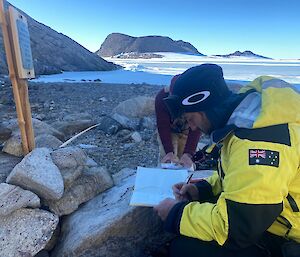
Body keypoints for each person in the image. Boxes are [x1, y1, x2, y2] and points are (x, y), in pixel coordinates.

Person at [154, 63, 300, 257]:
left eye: (190, 119)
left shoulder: (259, 143)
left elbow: (238, 228)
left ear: (204, 108)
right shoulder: (247, 120)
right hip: (273, 216)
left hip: (288, 234)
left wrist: (176, 214)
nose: (193, 128)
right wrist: (202, 189)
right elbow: (239, 174)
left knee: (186, 249)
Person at [155, 74, 201, 168]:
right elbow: (163, 125)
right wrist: (169, 152)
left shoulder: (195, 98)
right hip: (170, 130)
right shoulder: (161, 98)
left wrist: (188, 153)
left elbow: (196, 127)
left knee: (185, 162)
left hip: (186, 130)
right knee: (167, 160)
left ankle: (184, 181)